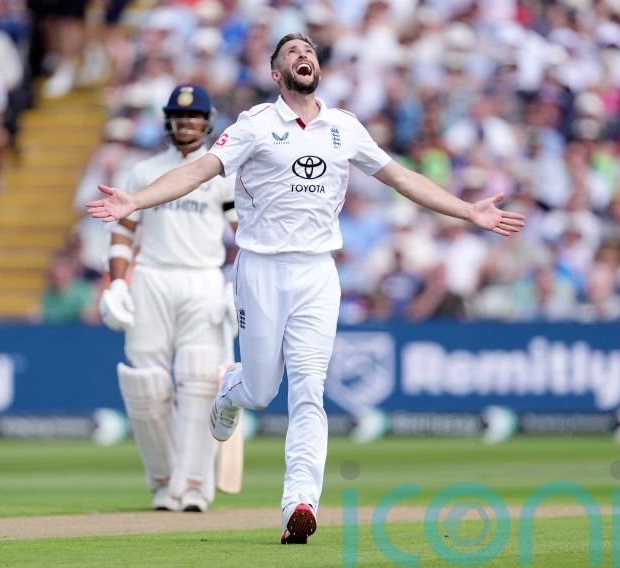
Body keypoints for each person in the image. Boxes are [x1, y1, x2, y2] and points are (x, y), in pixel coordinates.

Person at [86, 34, 525, 542]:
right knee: (260, 390)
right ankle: (230, 391)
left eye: (309, 51)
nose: (304, 56)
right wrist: (135, 202)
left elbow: (403, 179)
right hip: (261, 269)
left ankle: (299, 502)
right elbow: (199, 172)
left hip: (318, 272)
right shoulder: (255, 124)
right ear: (277, 74)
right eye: (292, 53)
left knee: (309, 389)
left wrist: (468, 210)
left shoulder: (344, 127)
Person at [96, 84, 237, 513]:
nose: (185, 122)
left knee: (199, 380)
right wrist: (117, 284)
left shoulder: (223, 173)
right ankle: (164, 481)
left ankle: (194, 485)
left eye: (193, 116)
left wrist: (239, 286)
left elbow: (245, 236)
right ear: (167, 120)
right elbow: (123, 233)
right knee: (144, 384)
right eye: (178, 115)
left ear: (207, 121)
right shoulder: (144, 172)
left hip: (202, 279)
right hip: (152, 277)